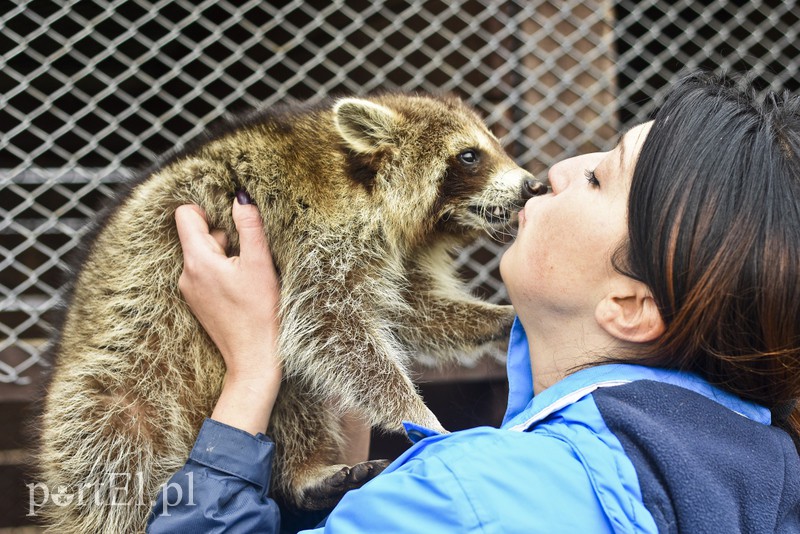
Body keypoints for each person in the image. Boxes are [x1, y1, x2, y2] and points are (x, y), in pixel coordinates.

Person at [146, 72, 800, 533]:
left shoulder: (469, 496)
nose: (559, 167)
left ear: (630, 305)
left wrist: (250, 377)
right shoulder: (764, 465)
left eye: (600, 178)